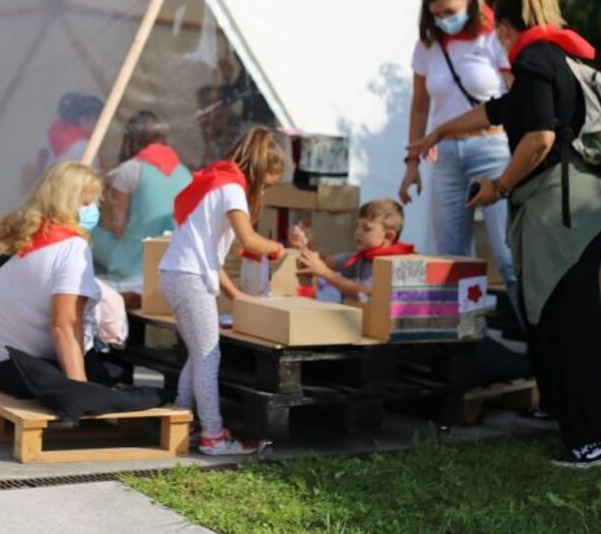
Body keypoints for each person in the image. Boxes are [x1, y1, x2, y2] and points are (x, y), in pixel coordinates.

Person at [412, 0, 601, 469]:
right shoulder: (556, 59)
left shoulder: (532, 60)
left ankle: (600, 438)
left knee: (572, 326)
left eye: (501, 35)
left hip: (564, 212)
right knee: (558, 320)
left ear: (506, 28)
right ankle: (571, 419)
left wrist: (499, 186)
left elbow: (538, 140)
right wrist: (442, 129)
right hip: (581, 207)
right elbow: (499, 109)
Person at [159, 127, 289, 456]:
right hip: (188, 279)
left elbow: (209, 255)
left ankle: (182, 420)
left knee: (198, 351)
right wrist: (276, 249)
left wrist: (234, 294)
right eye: (268, 184)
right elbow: (248, 240)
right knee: (209, 355)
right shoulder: (232, 189)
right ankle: (213, 435)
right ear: (260, 172)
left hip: (177, 274)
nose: (264, 192)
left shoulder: (213, 182)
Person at [400, 0, 517, 303]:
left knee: (508, 257)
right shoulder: (427, 45)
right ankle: (462, 347)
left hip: (493, 147)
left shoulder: (493, 36)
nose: (443, 20)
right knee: (451, 262)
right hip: (447, 155)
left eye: (449, 12)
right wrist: (411, 164)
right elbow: (419, 107)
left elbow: (515, 95)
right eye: (436, 14)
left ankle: (537, 340)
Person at [0, 162, 106, 397]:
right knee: (104, 377)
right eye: (86, 203)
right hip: (29, 369)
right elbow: (65, 326)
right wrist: (81, 395)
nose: (92, 209)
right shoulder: (70, 247)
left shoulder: (2, 235)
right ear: (66, 202)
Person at [92, 111, 193, 296]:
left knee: (84, 230)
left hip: (131, 264)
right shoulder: (185, 173)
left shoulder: (128, 171)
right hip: (171, 261)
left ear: (130, 139)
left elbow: (118, 227)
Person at [294, 200, 415, 302]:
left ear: (389, 236)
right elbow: (328, 261)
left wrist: (325, 273)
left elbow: (366, 296)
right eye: (358, 226)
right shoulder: (364, 256)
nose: (357, 232)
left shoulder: (392, 264)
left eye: (366, 229)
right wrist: (306, 244)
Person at [43, 93, 103, 165]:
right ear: (85, 119)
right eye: (100, 120)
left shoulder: (54, 128)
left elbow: (41, 156)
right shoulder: (82, 147)